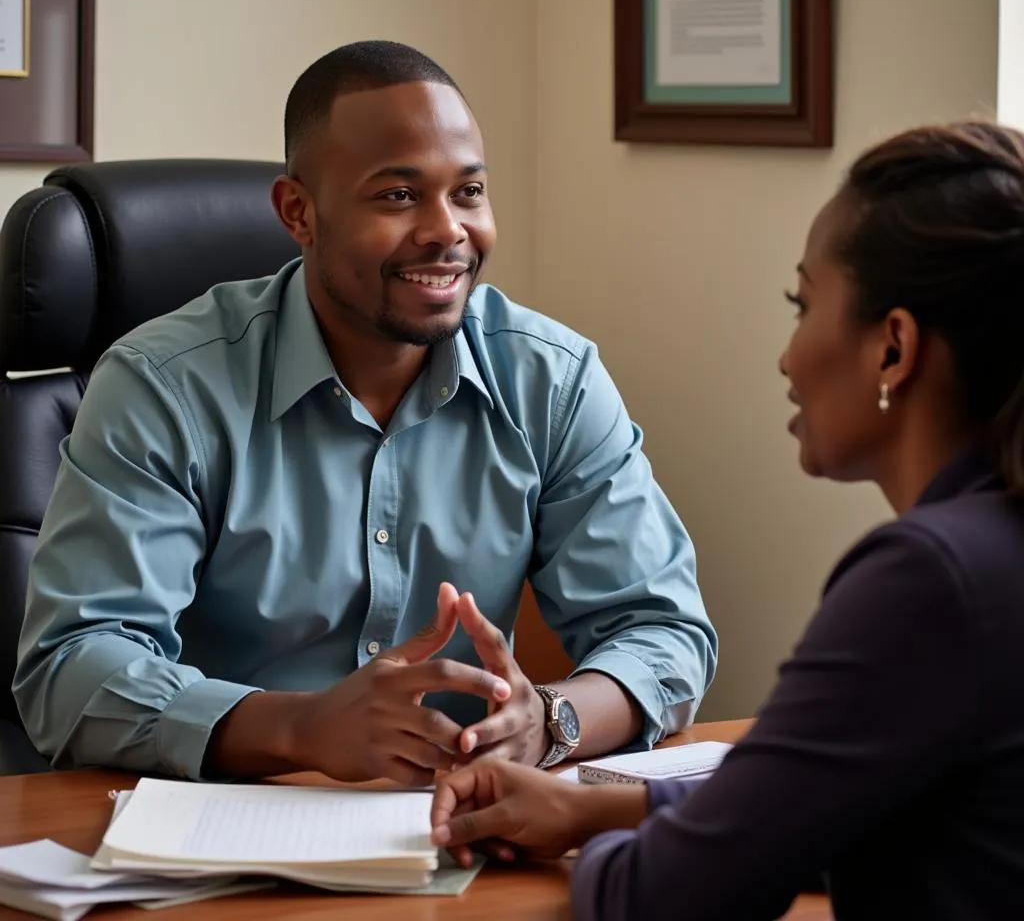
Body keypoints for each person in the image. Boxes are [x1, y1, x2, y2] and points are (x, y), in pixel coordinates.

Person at [12, 40, 716, 786]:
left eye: (469, 192)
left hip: (457, 830)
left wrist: (550, 720)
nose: (448, 230)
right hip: (221, 827)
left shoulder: (552, 379)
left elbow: (662, 630)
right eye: (399, 196)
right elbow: (72, 669)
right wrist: (303, 728)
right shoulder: (163, 387)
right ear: (299, 212)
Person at [429, 120, 1024, 920]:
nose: (787, 356)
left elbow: (666, 894)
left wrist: (612, 850)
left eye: (803, 303)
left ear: (893, 350)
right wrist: (590, 811)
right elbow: (821, 809)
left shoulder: (930, 581)